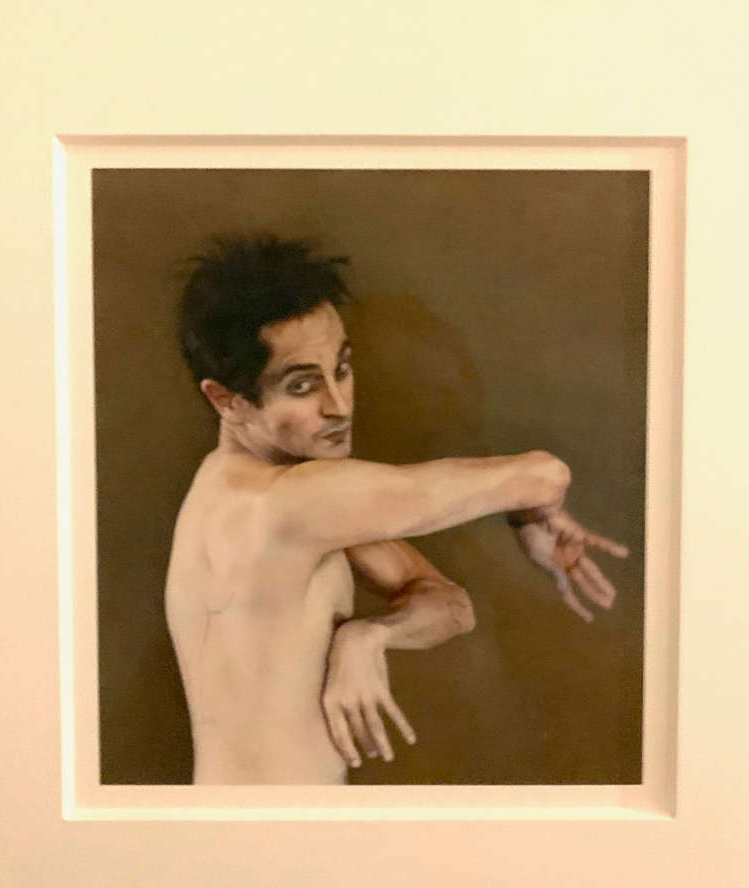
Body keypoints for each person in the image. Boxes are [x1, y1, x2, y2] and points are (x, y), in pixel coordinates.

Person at [165, 233, 628, 784]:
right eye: (303, 385)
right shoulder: (285, 503)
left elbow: (449, 604)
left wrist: (368, 636)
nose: (340, 405)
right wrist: (530, 510)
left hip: (268, 824)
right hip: (275, 831)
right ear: (227, 400)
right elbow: (545, 473)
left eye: (342, 368)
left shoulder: (262, 491)